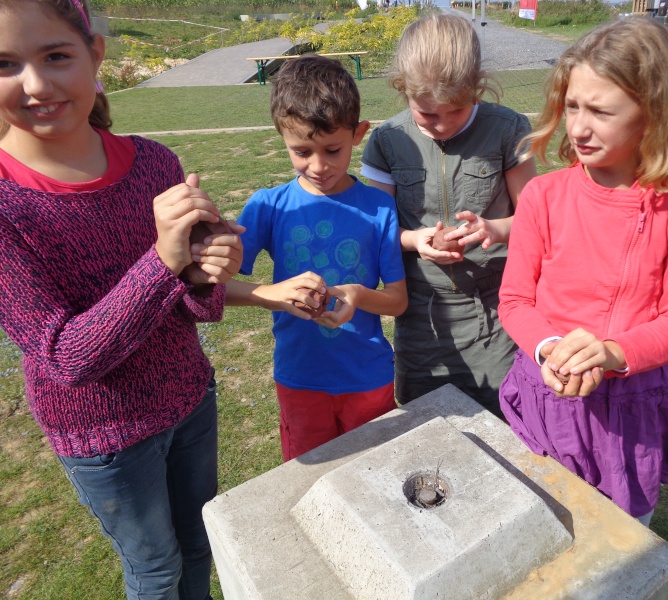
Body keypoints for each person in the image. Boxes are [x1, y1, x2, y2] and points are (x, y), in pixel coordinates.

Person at [0, 1, 245, 598]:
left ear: (95, 55)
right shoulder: (7, 204)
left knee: (199, 546)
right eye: (5, 64)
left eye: (56, 56)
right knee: (156, 572)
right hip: (103, 436)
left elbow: (191, 305)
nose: (36, 85)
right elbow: (65, 357)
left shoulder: (155, 162)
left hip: (189, 398)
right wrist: (162, 261)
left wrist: (207, 272)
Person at [498, 17, 668, 526]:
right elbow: (515, 300)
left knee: (621, 531)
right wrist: (551, 350)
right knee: (540, 522)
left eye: (601, 111)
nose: (578, 127)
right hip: (547, 389)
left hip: (631, 405)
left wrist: (611, 353)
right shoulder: (543, 196)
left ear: (654, 114)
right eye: (572, 105)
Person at [226, 55, 407, 461]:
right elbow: (212, 289)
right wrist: (271, 292)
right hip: (300, 377)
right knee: (312, 479)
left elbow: (398, 300)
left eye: (332, 149)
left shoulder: (379, 207)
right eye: (302, 151)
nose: (318, 165)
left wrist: (358, 294)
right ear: (281, 136)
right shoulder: (267, 206)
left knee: (375, 476)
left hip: (368, 377)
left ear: (359, 133)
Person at [360, 14, 537, 417]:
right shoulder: (388, 140)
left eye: (456, 110)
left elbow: (534, 217)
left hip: (495, 312)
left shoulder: (508, 128)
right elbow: (376, 228)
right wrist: (415, 240)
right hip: (422, 314)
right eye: (427, 114)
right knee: (425, 421)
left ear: (478, 86)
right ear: (402, 89)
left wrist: (495, 228)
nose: (441, 125)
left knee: (502, 416)